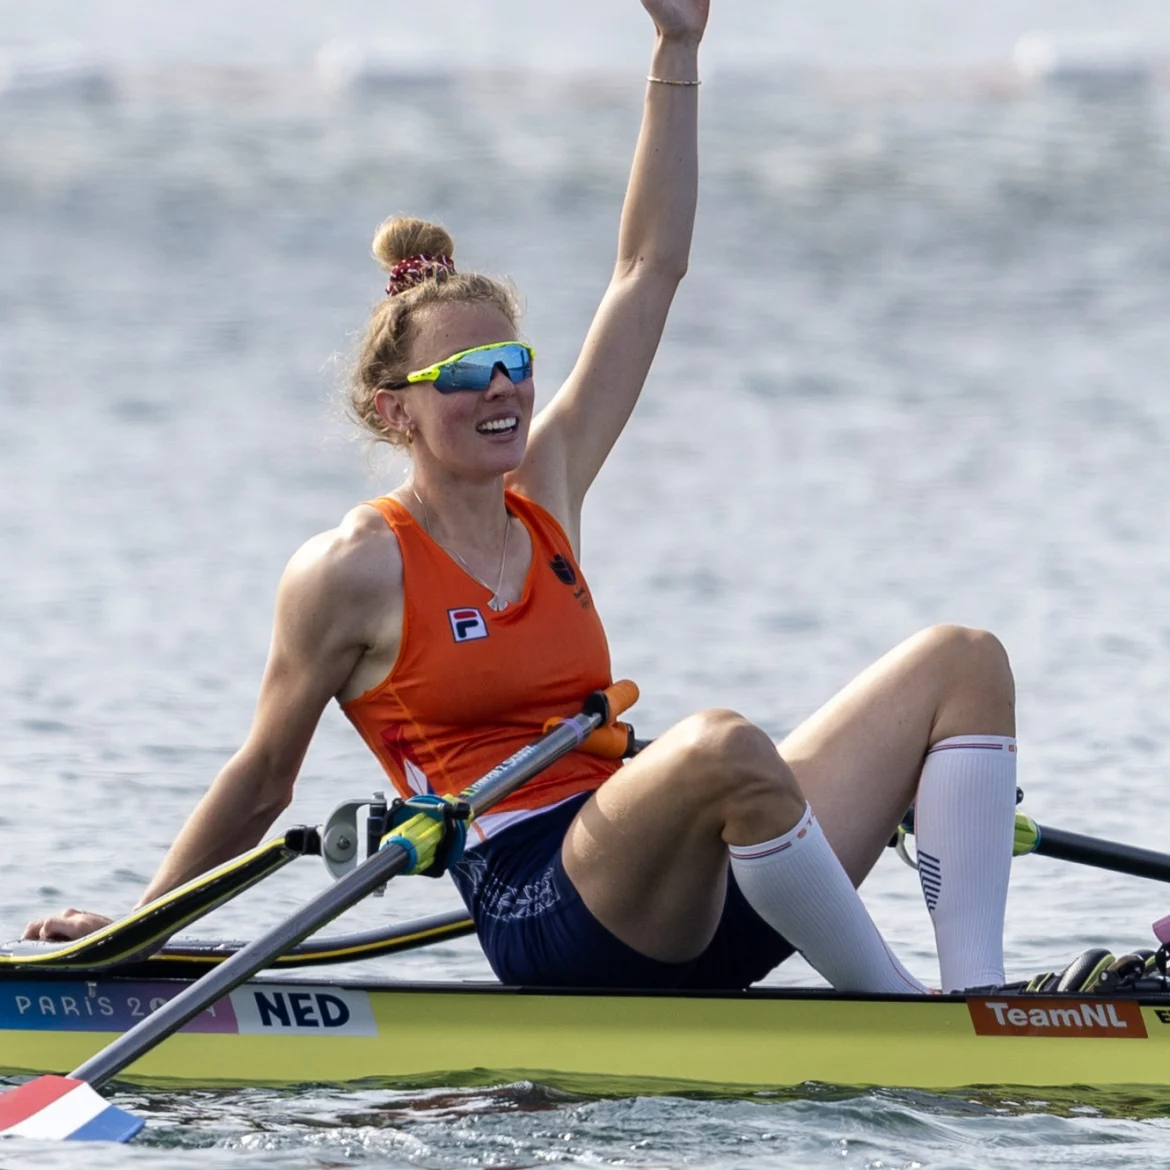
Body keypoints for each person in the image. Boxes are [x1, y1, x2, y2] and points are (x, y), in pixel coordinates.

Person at [24, 0, 1019, 996]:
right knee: (722, 744)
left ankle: (978, 1004)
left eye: (509, 362)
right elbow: (260, 779)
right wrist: (138, 931)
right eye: (461, 374)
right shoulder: (354, 569)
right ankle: (904, 1018)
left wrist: (677, 48)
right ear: (394, 413)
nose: (497, 387)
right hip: (540, 904)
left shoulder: (547, 488)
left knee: (964, 661)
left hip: (665, 878)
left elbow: (647, 272)